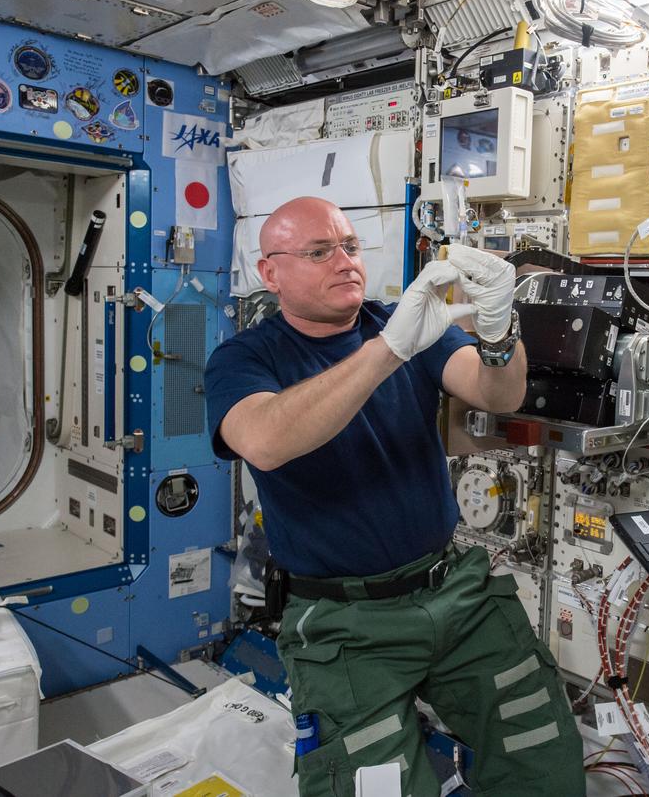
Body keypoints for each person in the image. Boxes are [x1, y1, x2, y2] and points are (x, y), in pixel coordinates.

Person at [204, 197, 585, 797]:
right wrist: (389, 351)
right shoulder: (246, 358)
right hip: (345, 623)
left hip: (455, 592)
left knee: (542, 755)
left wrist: (497, 328)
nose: (344, 261)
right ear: (269, 272)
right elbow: (267, 440)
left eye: (350, 246)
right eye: (319, 251)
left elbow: (499, 394)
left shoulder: (403, 322)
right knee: (371, 785)